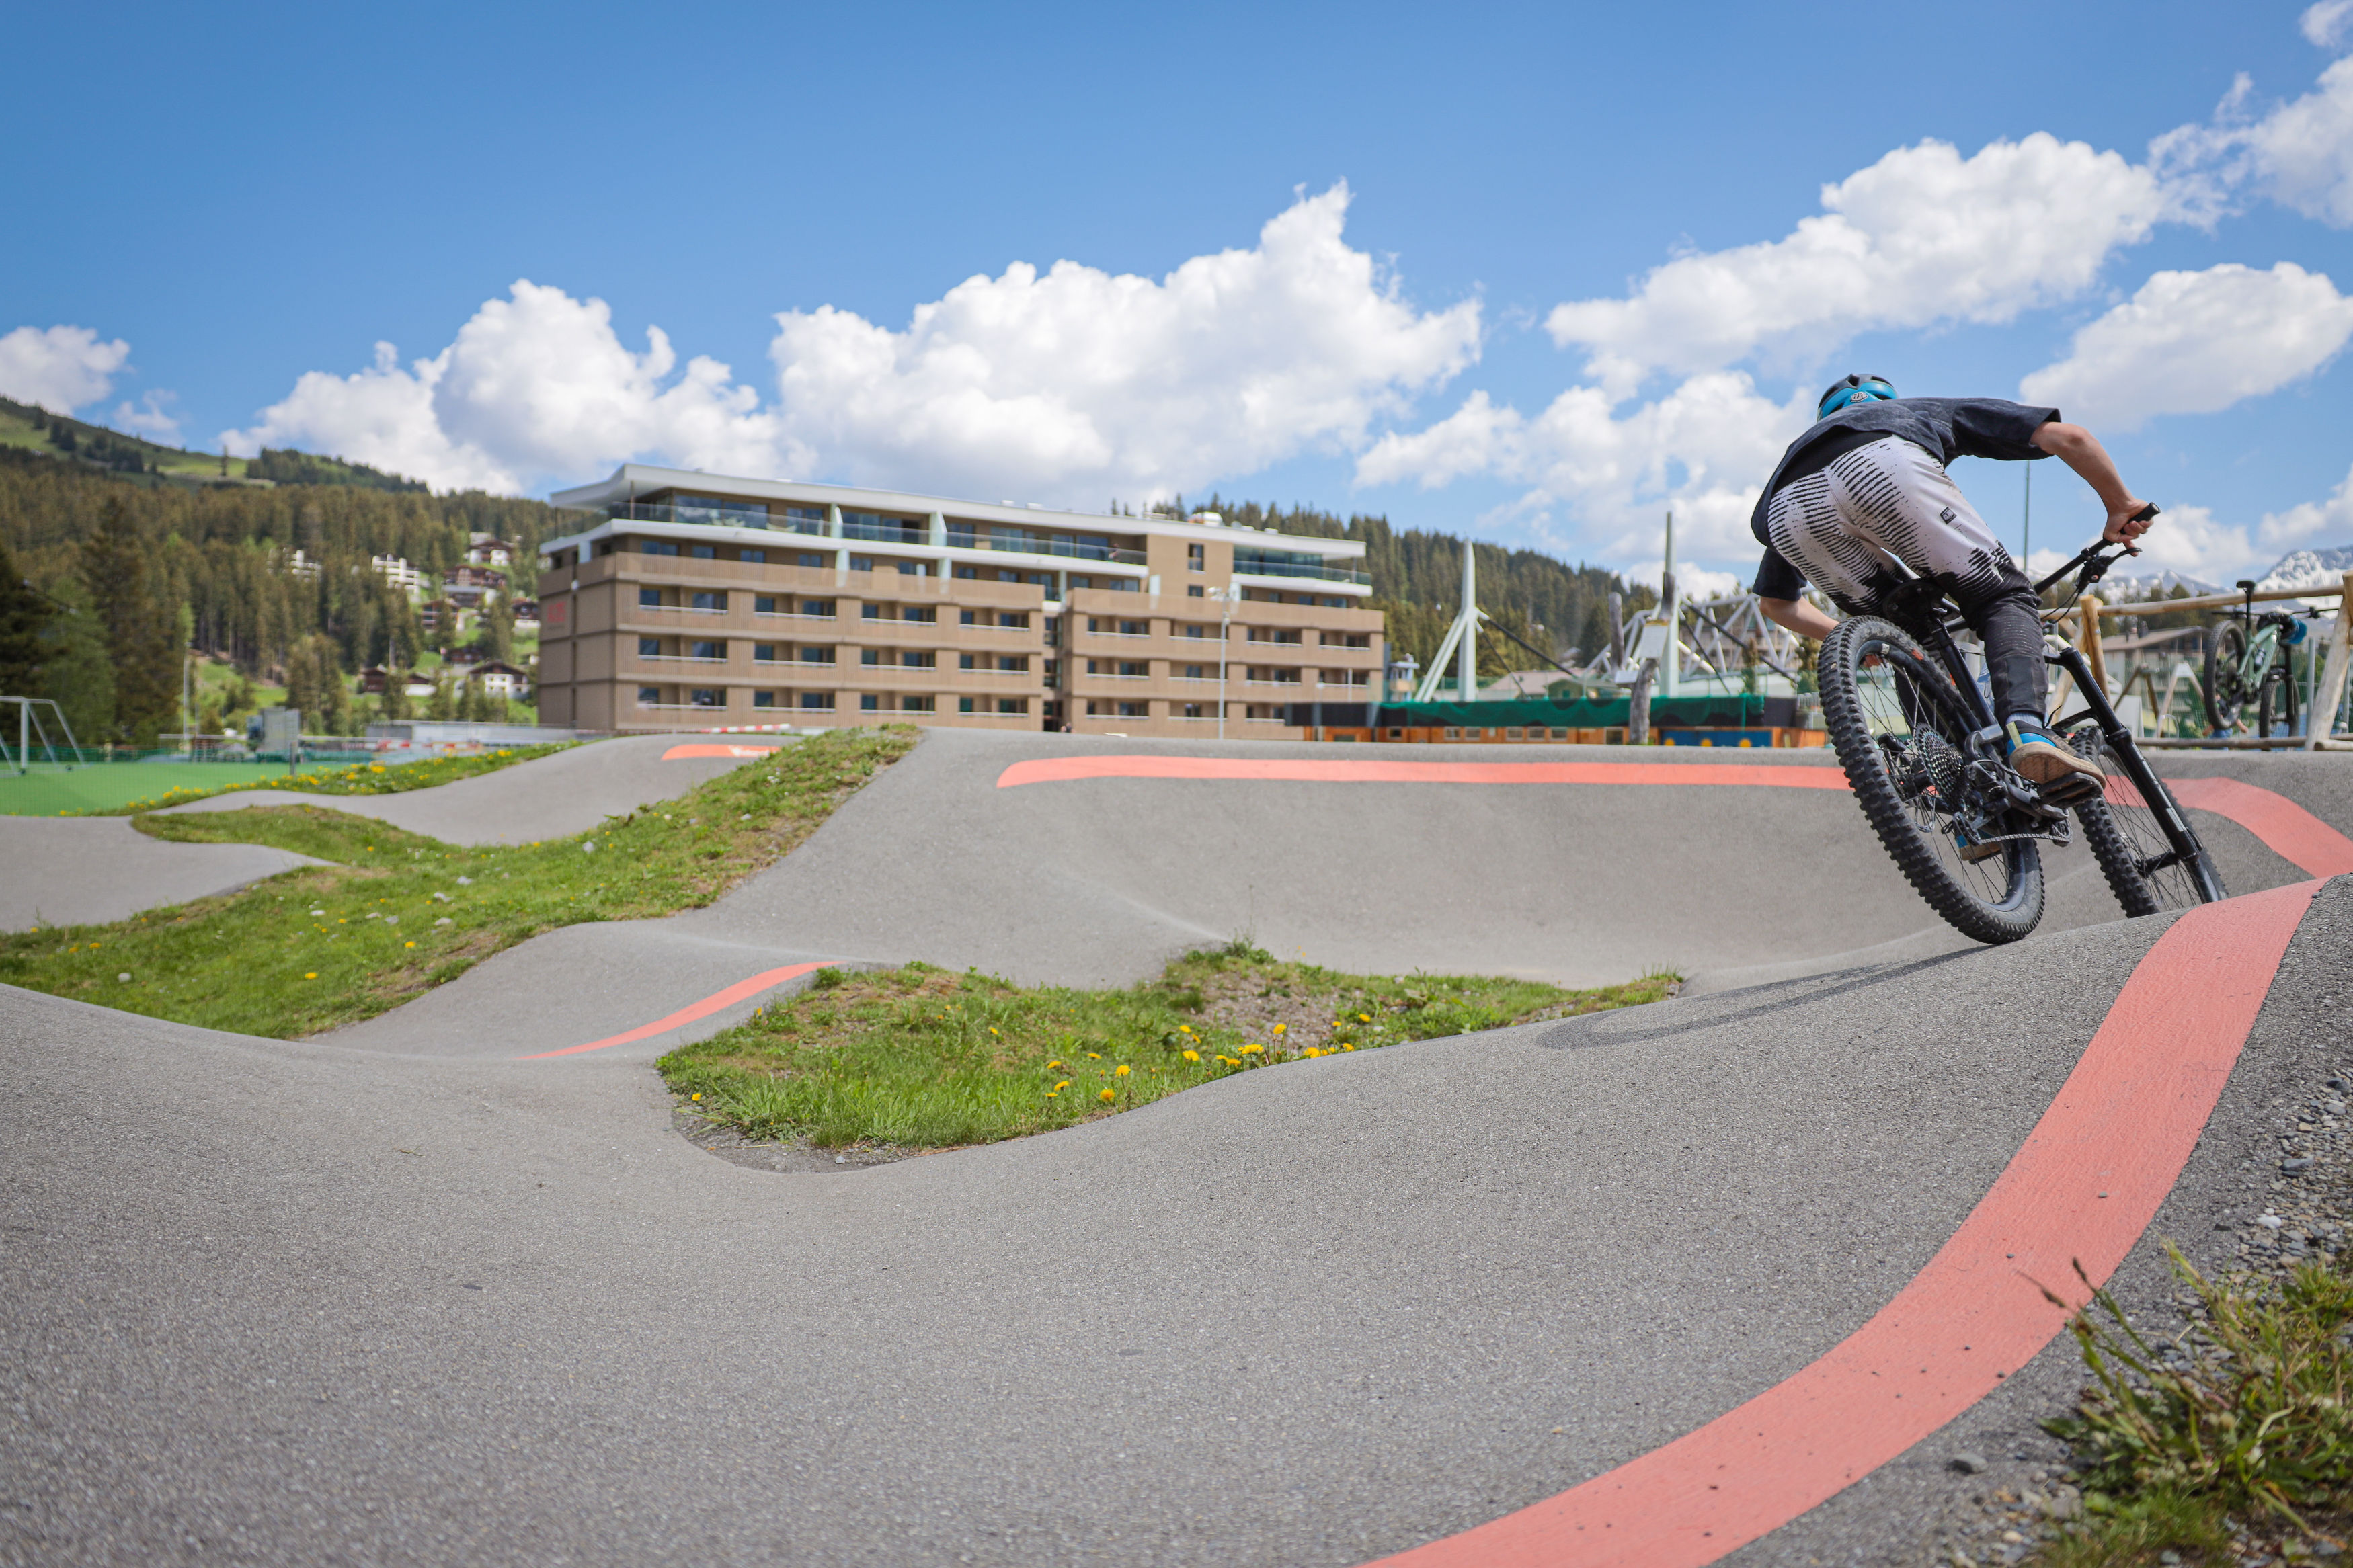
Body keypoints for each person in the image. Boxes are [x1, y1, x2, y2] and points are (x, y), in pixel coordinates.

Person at [1751, 375, 2155, 798]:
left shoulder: (1798, 454)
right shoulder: (1909, 411)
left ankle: (1958, 793)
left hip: (1788, 508)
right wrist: (2120, 505)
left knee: (1912, 643)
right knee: (2003, 598)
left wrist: (1858, 640)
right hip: (1881, 464)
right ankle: (2028, 731)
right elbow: (2070, 437)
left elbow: (1777, 604)